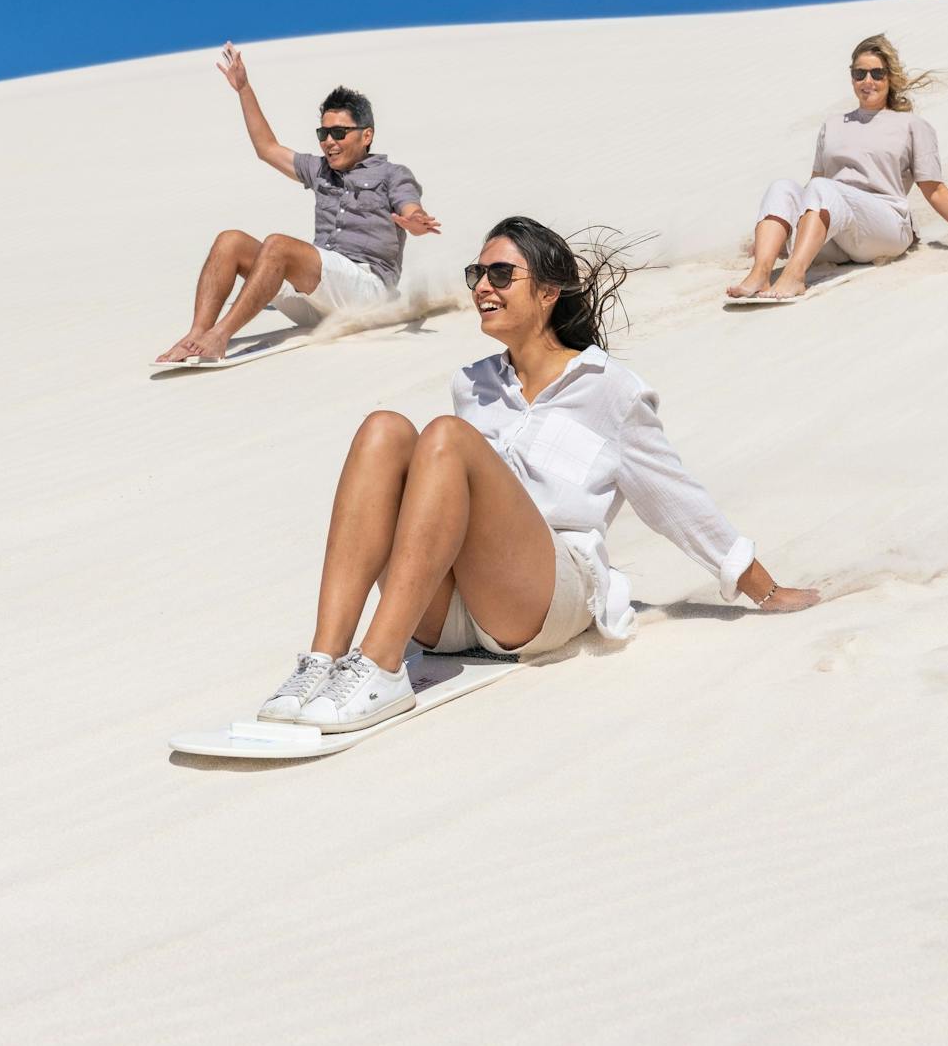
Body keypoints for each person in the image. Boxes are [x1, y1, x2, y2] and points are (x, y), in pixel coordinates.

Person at [257, 216, 822, 733]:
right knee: (383, 429)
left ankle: (380, 666)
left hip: (544, 600)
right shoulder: (471, 382)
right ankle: (322, 661)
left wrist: (761, 588)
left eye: (501, 273)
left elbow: (674, 500)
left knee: (449, 439)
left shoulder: (608, 388)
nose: (482, 285)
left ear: (549, 292)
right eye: (477, 272)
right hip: (451, 612)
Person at [157, 44, 441, 363]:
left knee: (278, 245)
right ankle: (197, 334)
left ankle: (219, 336)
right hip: (318, 298)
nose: (329, 141)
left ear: (366, 135)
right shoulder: (319, 169)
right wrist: (244, 88)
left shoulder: (391, 174)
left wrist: (414, 220)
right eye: (323, 132)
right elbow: (267, 148)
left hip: (367, 293)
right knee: (230, 241)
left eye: (339, 132)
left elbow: (409, 207)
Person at [727, 34, 948, 299]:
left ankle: (794, 276)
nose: (868, 81)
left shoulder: (912, 125)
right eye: (859, 73)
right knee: (783, 188)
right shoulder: (833, 125)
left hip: (885, 226)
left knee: (824, 189)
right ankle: (760, 274)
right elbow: (812, 187)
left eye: (877, 73)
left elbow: (934, 189)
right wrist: (779, 233)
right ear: (851, 77)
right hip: (837, 232)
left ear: (890, 78)